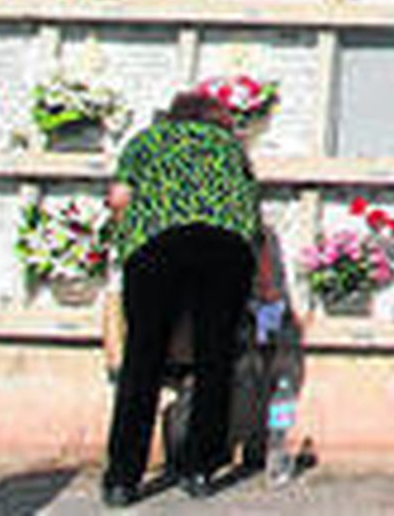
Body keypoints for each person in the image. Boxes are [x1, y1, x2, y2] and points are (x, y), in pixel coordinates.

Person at [101, 91, 261, 508]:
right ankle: (200, 468)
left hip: (157, 244)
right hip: (225, 246)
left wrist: (124, 240)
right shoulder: (229, 147)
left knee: (143, 359)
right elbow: (251, 206)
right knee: (214, 357)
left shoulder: (146, 141)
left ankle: (122, 477)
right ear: (218, 120)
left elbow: (119, 199)